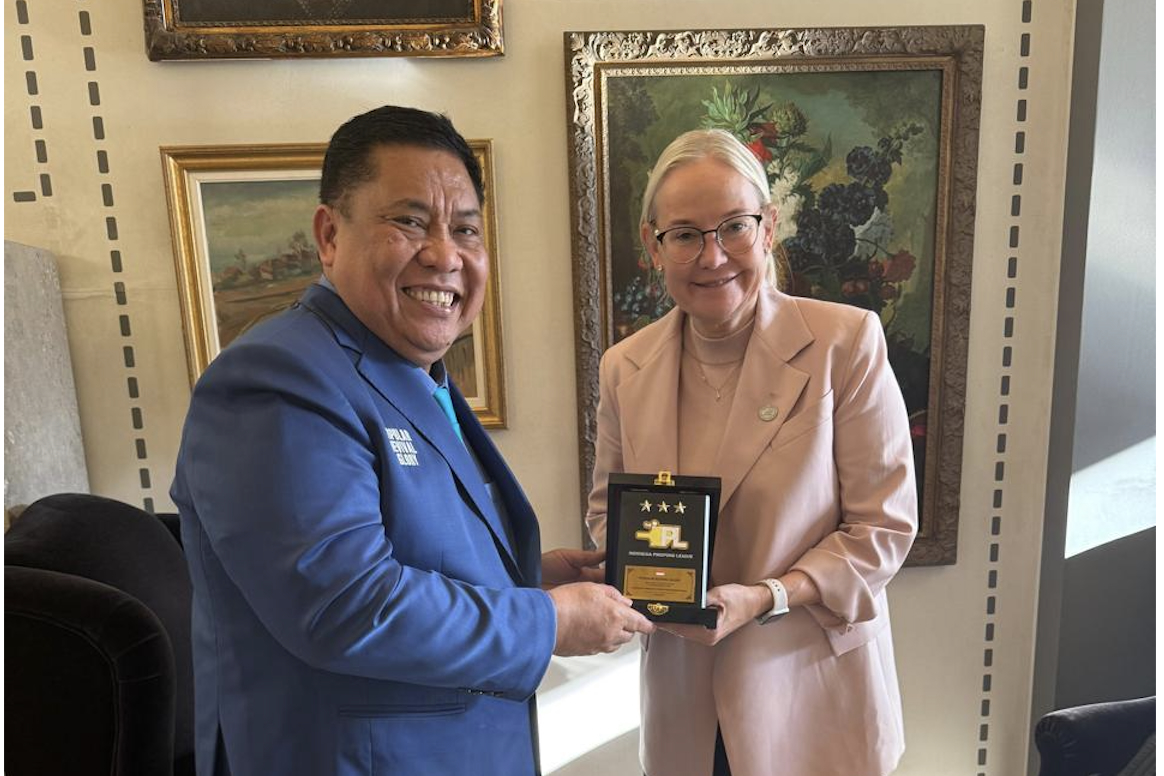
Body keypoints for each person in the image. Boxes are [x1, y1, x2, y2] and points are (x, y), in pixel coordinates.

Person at [171, 105, 653, 776]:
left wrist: (526, 578)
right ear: (329, 234)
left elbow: (401, 547)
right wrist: (547, 620)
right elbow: (345, 603)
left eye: (466, 229)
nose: (445, 255)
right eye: (409, 221)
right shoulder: (278, 378)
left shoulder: (407, 371)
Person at [586, 129, 918, 776]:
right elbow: (608, 516)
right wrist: (634, 574)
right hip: (684, 702)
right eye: (685, 234)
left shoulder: (845, 343)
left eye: (734, 227)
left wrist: (767, 596)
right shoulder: (623, 367)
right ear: (654, 246)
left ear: (768, 228)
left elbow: (882, 529)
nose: (713, 257)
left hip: (813, 697)